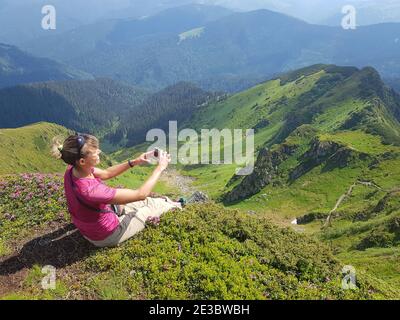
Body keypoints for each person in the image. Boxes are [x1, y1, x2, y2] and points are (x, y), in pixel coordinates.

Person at [51, 133, 182, 248]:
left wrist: (135, 161)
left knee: (149, 201)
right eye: (95, 151)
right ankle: (179, 205)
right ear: (82, 160)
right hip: (107, 235)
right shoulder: (91, 190)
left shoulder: (74, 169)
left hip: (94, 224)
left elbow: (106, 173)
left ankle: (169, 203)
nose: (99, 151)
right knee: (148, 209)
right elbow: (141, 194)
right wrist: (161, 167)